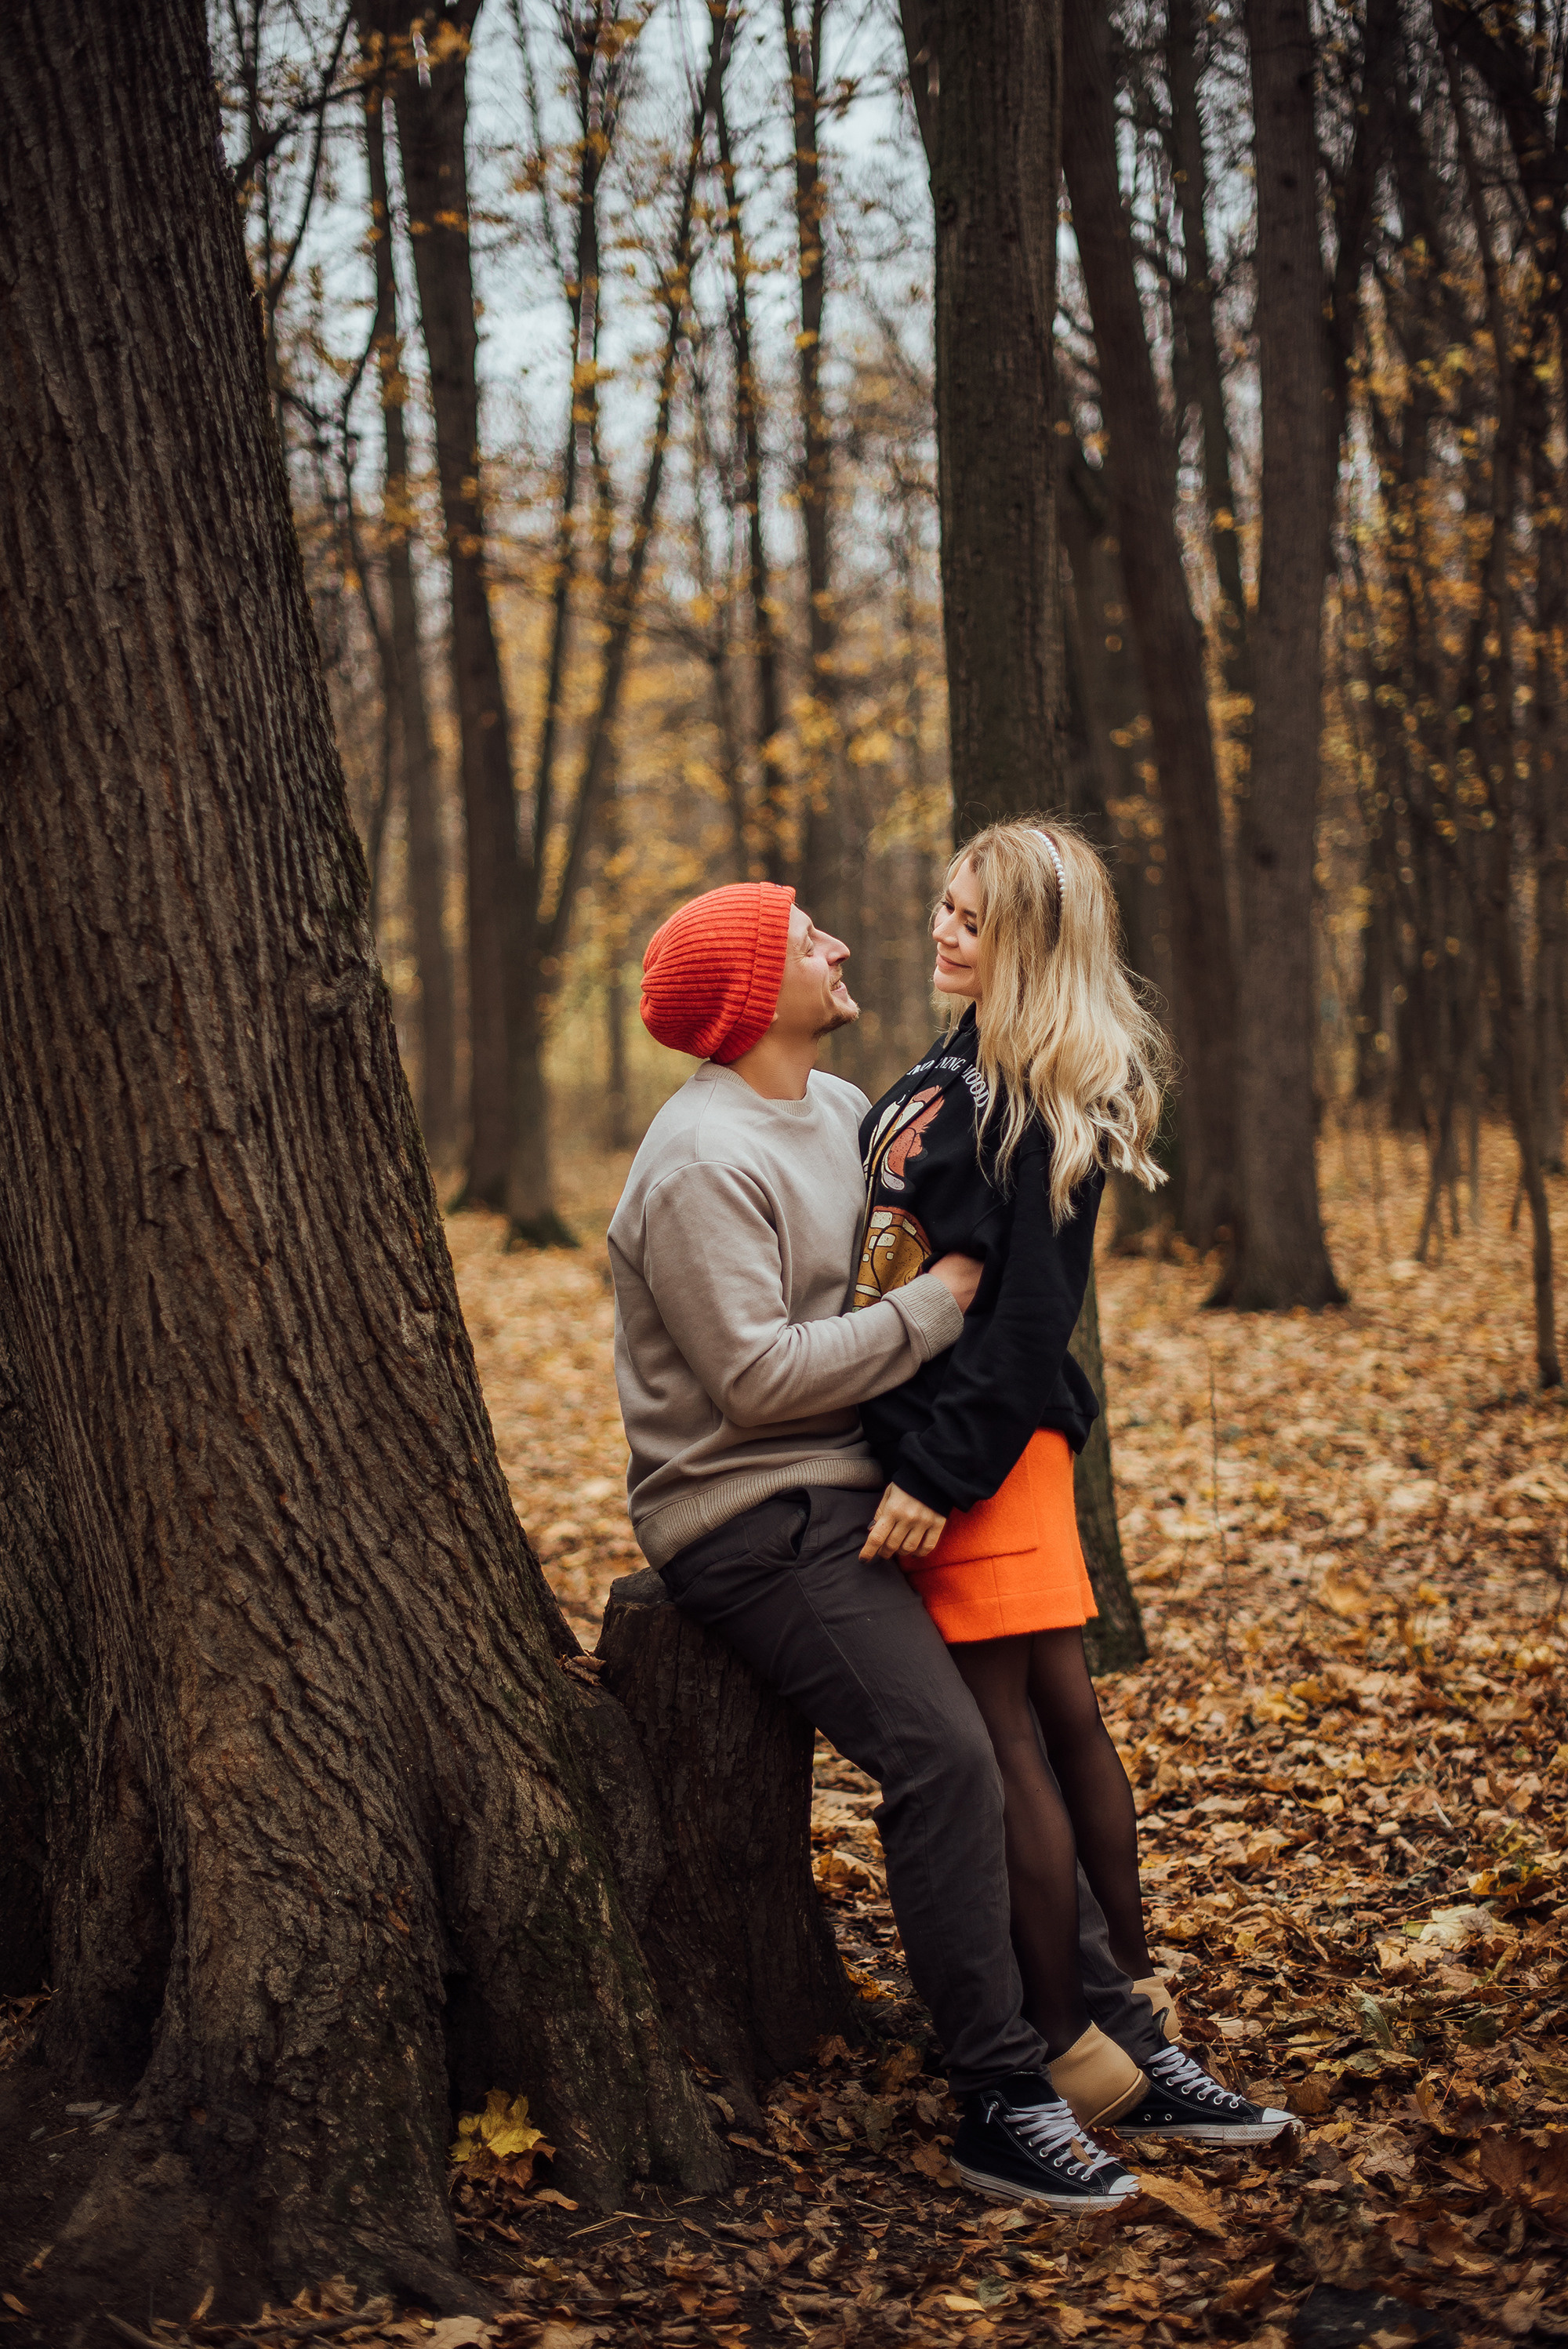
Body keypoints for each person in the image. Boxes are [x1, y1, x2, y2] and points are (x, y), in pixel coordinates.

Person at [608, 881, 1265, 2210]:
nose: (840, 944)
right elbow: (753, 1380)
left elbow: (980, 1192)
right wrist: (938, 1304)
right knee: (950, 1757)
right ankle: (998, 2092)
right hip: (753, 1511)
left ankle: (1120, 2050)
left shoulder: (849, 1110)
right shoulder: (697, 1160)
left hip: (865, 1485)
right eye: (804, 941)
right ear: (748, 998)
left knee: (1023, 1738)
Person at [852, 819, 1290, 2164]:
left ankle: (1074, 2045)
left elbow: (1032, 1323)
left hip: (982, 1460)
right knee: (1053, 1723)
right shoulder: (962, 1070)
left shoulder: (1026, 1097)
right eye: (943, 907)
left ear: (1030, 949)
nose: (943, 932)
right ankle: (1127, 2041)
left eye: (971, 922)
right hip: (992, 1453)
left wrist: (937, 1471)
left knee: (1012, 1748)